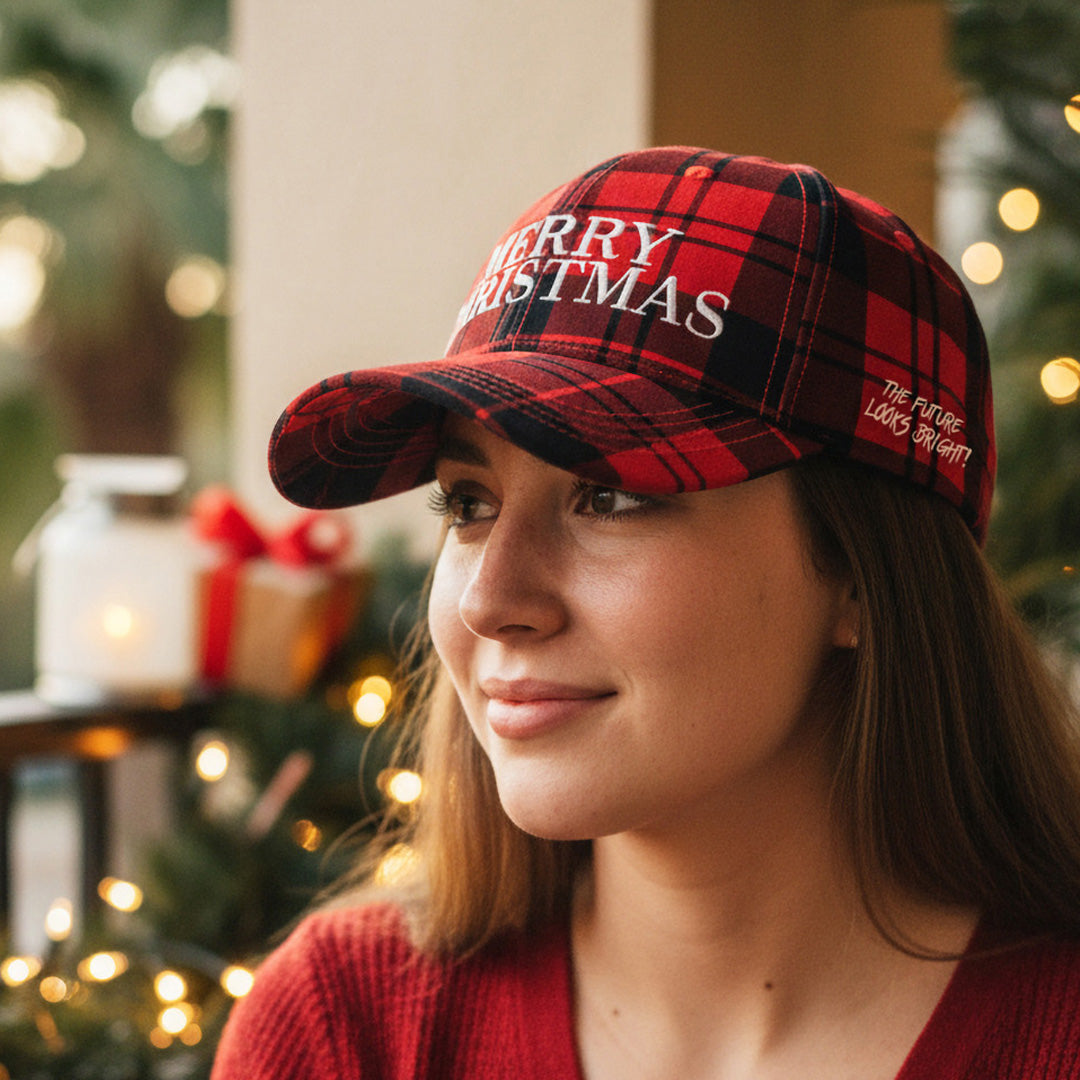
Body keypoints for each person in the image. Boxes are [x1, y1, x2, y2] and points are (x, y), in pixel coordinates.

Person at [211, 147, 1080, 1079]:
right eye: (468, 503)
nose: (492, 601)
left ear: (863, 577)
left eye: (611, 498)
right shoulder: (342, 1028)